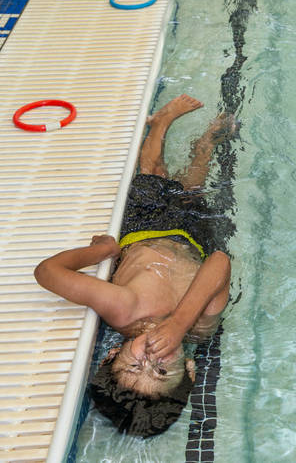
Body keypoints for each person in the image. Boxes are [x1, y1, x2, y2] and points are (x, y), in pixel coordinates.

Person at [34, 95, 233, 438]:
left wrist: (101, 251)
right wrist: (178, 322)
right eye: (160, 371)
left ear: (112, 353)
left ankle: (162, 122)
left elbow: (47, 273)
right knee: (196, 180)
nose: (153, 357)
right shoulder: (200, 324)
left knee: (152, 171)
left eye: (135, 363)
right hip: (194, 238)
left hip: (145, 229)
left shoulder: (125, 310)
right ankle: (206, 142)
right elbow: (220, 261)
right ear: (189, 369)